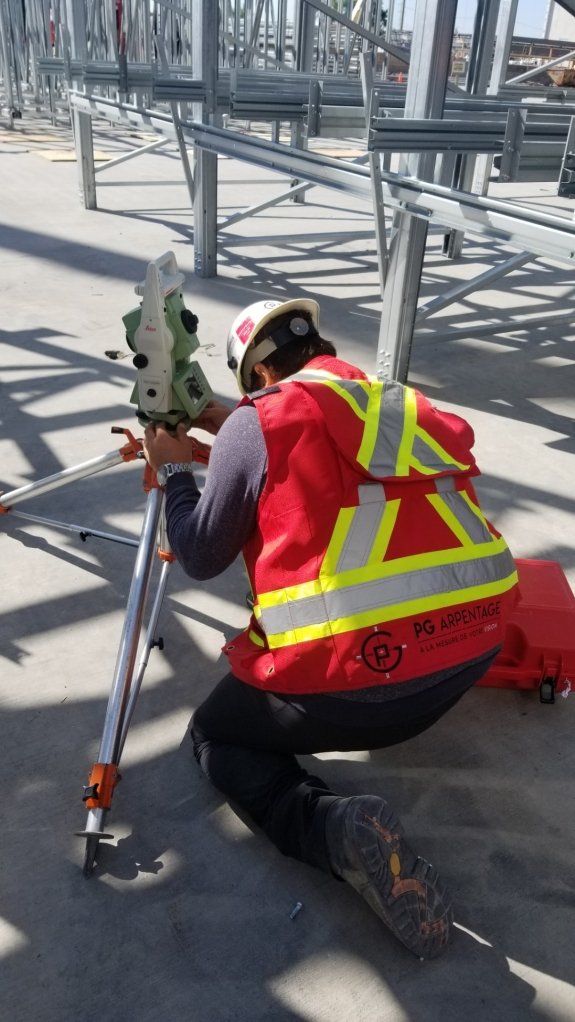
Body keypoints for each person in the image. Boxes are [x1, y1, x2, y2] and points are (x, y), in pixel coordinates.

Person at [143, 298, 518, 960]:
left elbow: (199, 553)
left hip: (360, 689)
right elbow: (332, 450)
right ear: (318, 349)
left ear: (259, 376)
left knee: (215, 736)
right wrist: (232, 430)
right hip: (467, 655)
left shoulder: (256, 422)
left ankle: (329, 828)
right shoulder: (401, 406)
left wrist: (175, 470)